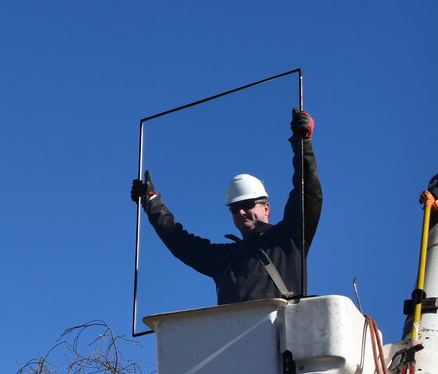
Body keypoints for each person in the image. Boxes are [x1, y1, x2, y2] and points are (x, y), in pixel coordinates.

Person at [132, 108, 320, 304]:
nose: (241, 212)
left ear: (266, 208)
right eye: (234, 208)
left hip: (282, 323)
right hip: (234, 324)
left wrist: (303, 144)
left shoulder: (288, 238)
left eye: (248, 205)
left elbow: (308, 194)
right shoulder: (224, 258)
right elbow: (180, 241)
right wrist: (151, 202)